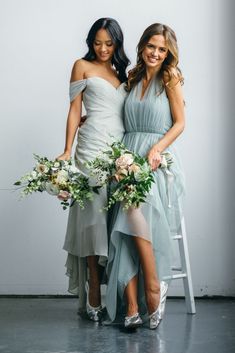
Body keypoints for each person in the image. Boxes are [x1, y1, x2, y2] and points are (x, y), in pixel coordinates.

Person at [105, 23, 185, 329]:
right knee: (124, 209)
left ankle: (152, 286)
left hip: (156, 158)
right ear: (142, 46)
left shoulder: (170, 77)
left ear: (168, 54)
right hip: (127, 154)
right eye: (151, 46)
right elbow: (121, 116)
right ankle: (134, 305)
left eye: (162, 49)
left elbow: (180, 123)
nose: (155, 53)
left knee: (132, 207)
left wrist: (155, 150)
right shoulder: (133, 77)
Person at [57, 18, 129, 321]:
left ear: (117, 44)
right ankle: (94, 289)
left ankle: (115, 288)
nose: (102, 48)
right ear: (91, 42)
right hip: (90, 150)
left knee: (116, 219)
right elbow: (75, 109)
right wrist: (66, 149)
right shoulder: (81, 66)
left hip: (119, 152)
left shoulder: (124, 72)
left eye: (108, 43)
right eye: (97, 42)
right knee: (91, 217)